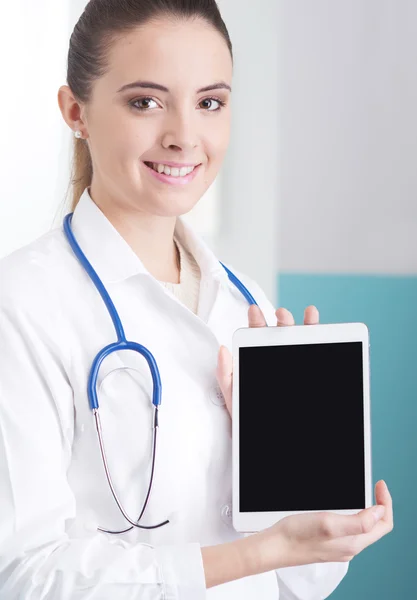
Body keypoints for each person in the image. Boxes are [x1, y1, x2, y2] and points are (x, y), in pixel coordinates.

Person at [0, 0, 393, 598]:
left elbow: (299, 582)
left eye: (210, 102)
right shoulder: (23, 303)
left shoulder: (244, 304)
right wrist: (256, 552)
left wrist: (311, 485)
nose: (184, 136)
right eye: (145, 102)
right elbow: (23, 576)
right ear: (75, 111)